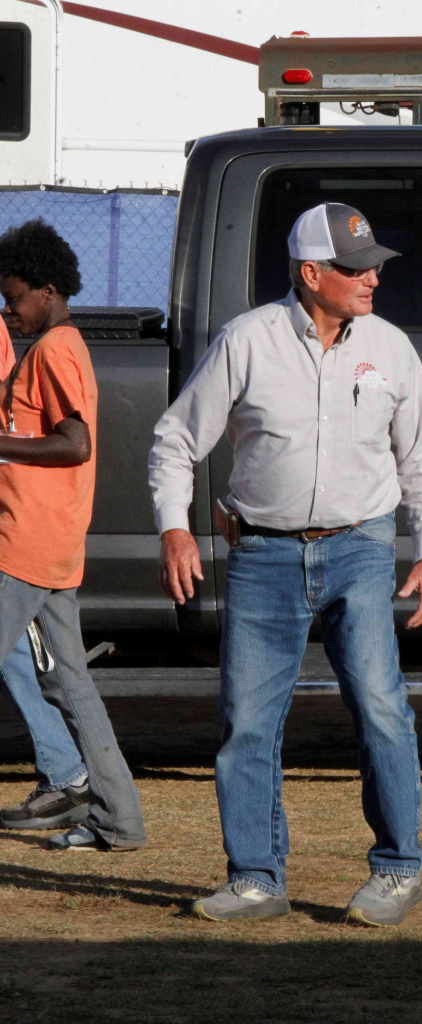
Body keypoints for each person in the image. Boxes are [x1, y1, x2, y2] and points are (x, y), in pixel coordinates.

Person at [150, 202, 422, 925]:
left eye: (374, 264)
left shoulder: (392, 347)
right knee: (248, 720)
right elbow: (174, 441)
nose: (372, 277)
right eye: (355, 267)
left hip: (361, 546)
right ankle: (256, 878)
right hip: (262, 553)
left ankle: (397, 870)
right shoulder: (246, 341)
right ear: (311, 274)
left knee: (380, 707)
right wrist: (175, 531)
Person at [0, 219, 146, 851]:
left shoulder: (57, 347)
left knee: (65, 681)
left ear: (49, 290)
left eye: (15, 299)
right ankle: (120, 819)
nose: (9, 311)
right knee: (68, 682)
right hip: (50, 541)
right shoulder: (59, 344)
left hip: (27, 542)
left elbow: (74, 441)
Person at [0, 312, 90, 831]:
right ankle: (65, 767)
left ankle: (68, 771)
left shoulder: (55, 347)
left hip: (22, 522)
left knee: (21, 643)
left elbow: (69, 439)